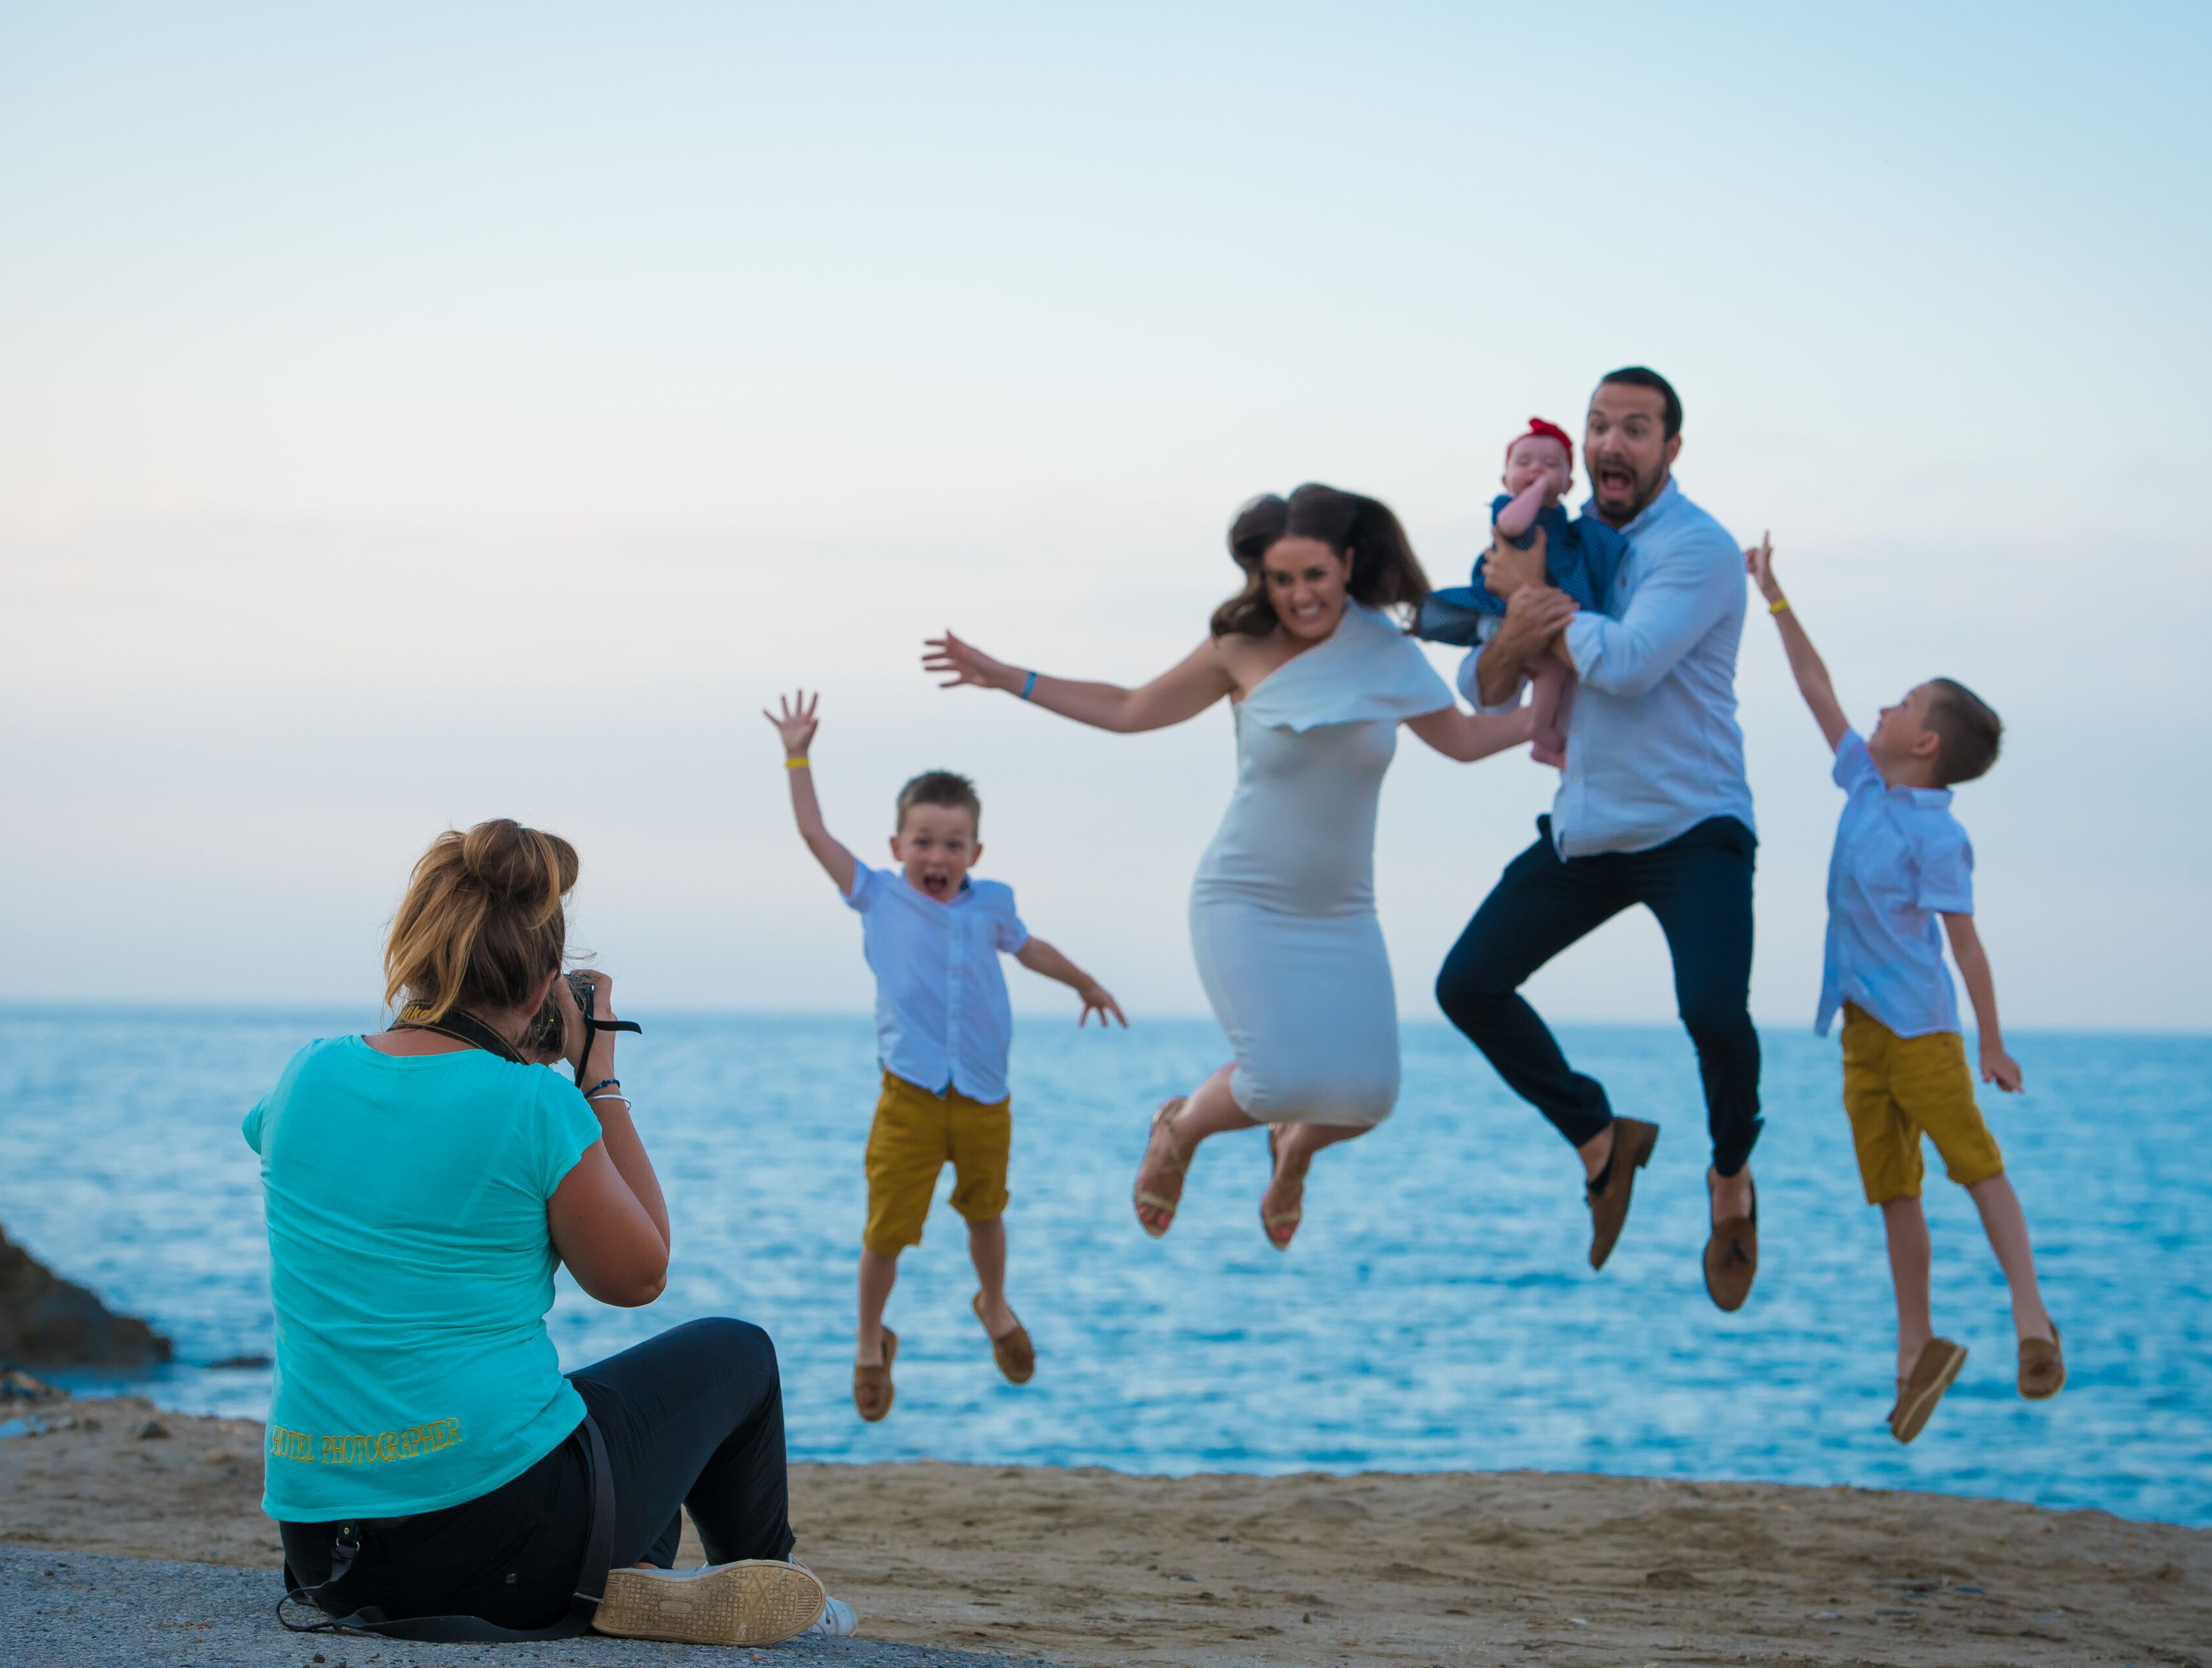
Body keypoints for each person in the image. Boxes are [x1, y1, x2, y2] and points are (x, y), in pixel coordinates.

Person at [247, 819, 855, 1646]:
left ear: (419, 952)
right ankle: (785, 1596)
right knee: (736, 1354)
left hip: (328, 1556)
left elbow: (369, 1116)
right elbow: (639, 1275)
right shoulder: (535, 1107)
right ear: (544, 986)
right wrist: (596, 1072)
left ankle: (631, 1577)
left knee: (588, 1431)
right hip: (494, 1538)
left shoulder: (307, 1074)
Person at [923, 485, 1530, 1251]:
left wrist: (1554, 716)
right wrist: (1012, 676)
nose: (1299, 595)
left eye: (1313, 575)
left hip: (1344, 908)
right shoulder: (1239, 648)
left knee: (1369, 1097)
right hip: (1245, 898)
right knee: (1278, 1077)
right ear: (1261, 579)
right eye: (1281, 579)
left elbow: (1468, 741)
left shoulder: (1385, 652)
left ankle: (1293, 1150)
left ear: (1347, 564)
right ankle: (1179, 1129)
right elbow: (1130, 708)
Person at [1433, 366, 1767, 1311]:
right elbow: (1484, 686)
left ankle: (1731, 1174)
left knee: (1711, 1012)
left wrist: (1538, 597)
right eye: (1598, 427)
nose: (1611, 444)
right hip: (1589, 825)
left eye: (1635, 428)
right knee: (1468, 984)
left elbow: (1624, 664)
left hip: (1694, 822)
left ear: (1670, 448)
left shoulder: (1696, 550)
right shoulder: (1556, 539)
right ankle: (1599, 1138)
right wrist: (1521, 614)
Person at [1745, 534, 2064, 1442]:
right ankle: (1914, 1349)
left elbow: (1967, 946)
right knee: (1894, 1191)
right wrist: (1775, 598)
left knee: (1975, 1166)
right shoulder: (1863, 783)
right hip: (1860, 1036)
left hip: (1923, 1033)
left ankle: (2033, 1320)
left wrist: (1991, 1042)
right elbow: (1815, 686)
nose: (1881, 706)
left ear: (1923, 742)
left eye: (1903, 702)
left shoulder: (1935, 833)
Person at [764, 695, 1125, 1422]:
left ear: (975, 855)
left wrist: (1084, 980)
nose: (938, 856)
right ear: (897, 845)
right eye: (923, 840)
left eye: (953, 844)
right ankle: (870, 1341)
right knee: (886, 1232)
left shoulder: (991, 904)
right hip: (910, 1097)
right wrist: (797, 754)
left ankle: (993, 1303)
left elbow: (1031, 948)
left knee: (986, 1213)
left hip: (987, 1094)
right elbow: (812, 831)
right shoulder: (876, 896)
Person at [1412, 417, 1627, 771]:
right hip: (1502, 611)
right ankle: (1538, 725)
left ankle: (1541, 732)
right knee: (1538, 662)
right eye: (1524, 464)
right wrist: (1537, 491)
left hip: (1543, 612)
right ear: (1505, 479)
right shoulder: (1508, 507)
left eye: (1550, 465)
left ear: (1569, 484)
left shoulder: (1569, 527)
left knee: (1556, 673)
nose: (1536, 470)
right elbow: (1511, 526)